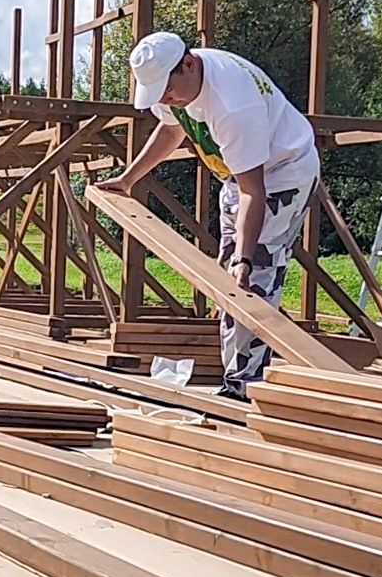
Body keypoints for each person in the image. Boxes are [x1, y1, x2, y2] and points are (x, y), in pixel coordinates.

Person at [96, 31, 320, 399]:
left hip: (283, 174)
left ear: (188, 64)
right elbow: (171, 132)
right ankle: (238, 376)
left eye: (168, 92)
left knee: (253, 277)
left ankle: (245, 387)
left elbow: (255, 191)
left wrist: (245, 258)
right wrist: (128, 179)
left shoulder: (233, 105)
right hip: (238, 177)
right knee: (228, 278)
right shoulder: (176, 83)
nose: (167, 101)